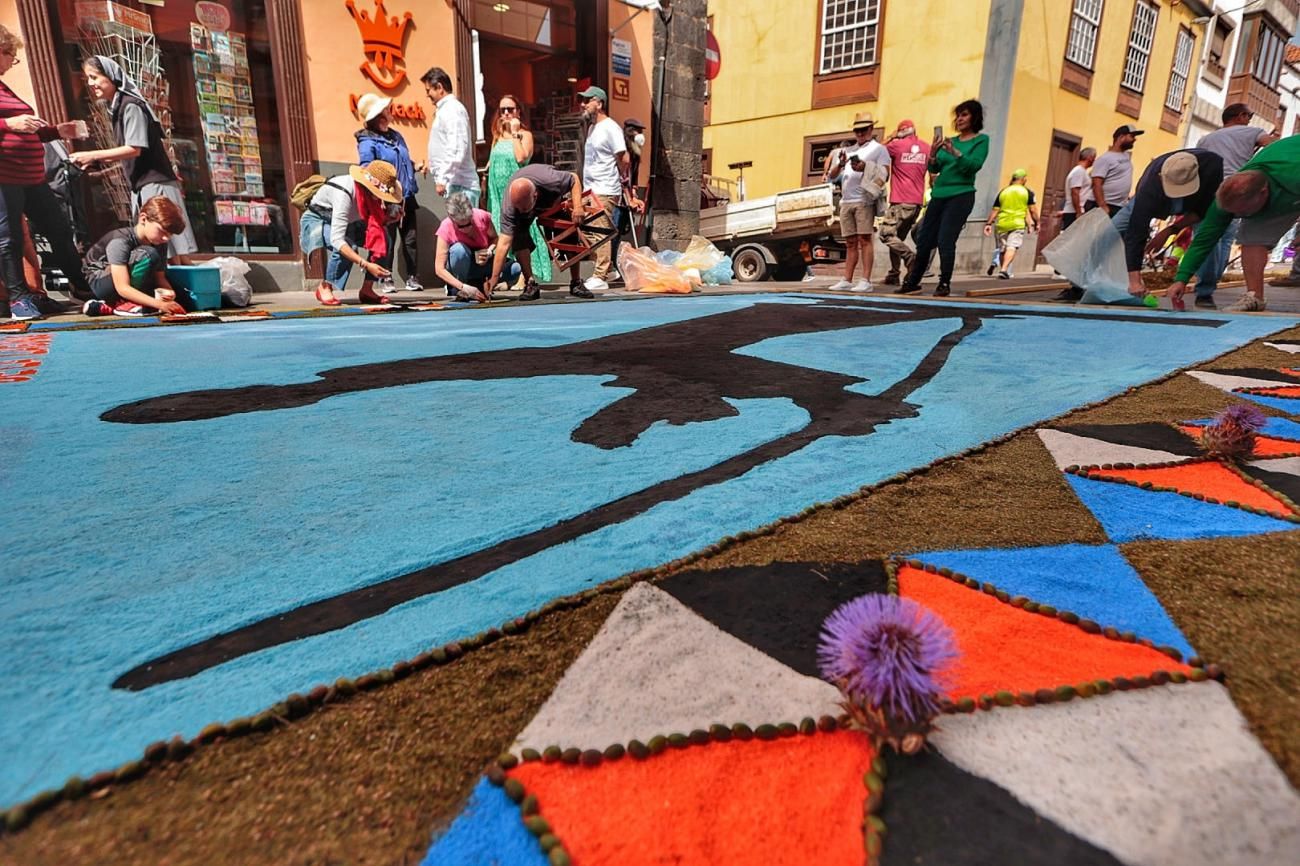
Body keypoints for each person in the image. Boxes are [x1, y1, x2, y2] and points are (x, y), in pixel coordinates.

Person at [0, 24, 94, 319]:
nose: (12, 62)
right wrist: (8, 125)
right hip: (5, 177)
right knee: (9, 237)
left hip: (32, 176)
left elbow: (27, 133)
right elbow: (12, 128)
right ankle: (18, 300)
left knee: (59, 229)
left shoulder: (4, 87)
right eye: (10, 55)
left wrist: (57, 131)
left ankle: (80, 288)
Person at [70, 55, 198, 264]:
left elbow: (134, 148)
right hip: (145, 184)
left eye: (94, 77)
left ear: (110, 76)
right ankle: (187, 290)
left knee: (169, 246)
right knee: (170, 249)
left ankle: (184, 291)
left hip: (155, 183)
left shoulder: (130, 106)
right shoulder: (119, 107)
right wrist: (104, 170)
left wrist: (92, 154)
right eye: (88, 79)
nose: (91, 84)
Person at [1169, 136, 1300, 313]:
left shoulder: (1293, 175)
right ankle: (1255, 297)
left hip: (1291, 179)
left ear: (1263, 192)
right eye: (1234, 213)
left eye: (1243, 212)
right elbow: (1204, 240)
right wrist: (1181, 279)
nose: (1239, 217)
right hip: (1280, 189)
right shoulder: (1229, 198)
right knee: (1251, 238)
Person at [896, 99, 989, 297]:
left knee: (946, 239)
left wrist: (954, 152)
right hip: (939, 195)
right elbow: (934, 168)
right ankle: (913, 281)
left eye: (964, 115)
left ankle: (944, 282)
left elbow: (973, 166)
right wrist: (933, 153)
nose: (960, 119)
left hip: (961, 195)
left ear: (975, 117)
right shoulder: (950, 141)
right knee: (924, 239)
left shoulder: (981, 141)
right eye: (958, 115)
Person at [1187, 103, 1279, 304]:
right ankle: (1209, 283)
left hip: (1210, 190)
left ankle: (1206, 287)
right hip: (1239, 191)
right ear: (1241, 115)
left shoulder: (1206, 138)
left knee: (1208, 238)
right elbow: (1272, 146)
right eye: (1249, 115)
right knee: (1226, 239)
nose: (1250, 119)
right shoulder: (1253, 132)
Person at [1106, 149, 1222, 302]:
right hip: (1152, 196)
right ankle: (1080, 285)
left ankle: (1204, 292)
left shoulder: (1212, 166)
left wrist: (1171, 230)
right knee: (1108, 233)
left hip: (1194, 202)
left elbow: (1202, 212)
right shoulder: (1149, 187)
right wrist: (1135, 282)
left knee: (1208, 238)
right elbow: (1136, 232)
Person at [298, 160, 403, 306]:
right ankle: (324, 287)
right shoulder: (344, 193)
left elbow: (374, 226)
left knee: (383, 238)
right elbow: (337, 240)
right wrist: (365, 264)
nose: (380, 199)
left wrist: (389, 219)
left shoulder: (370, 197)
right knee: (347, 247)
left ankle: (367, 289)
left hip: (348, 222)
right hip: (319, 219)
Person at [487, 163, 585, 302]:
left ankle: (576, 282)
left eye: (525, 208)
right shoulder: (510, 207)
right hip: (526, 206)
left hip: (552, 201)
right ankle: (530, 283)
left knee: (568, 232)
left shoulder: (551, 180)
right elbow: (503, 244)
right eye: (519, 208)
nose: (523, 211)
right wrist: (494, 279)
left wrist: (578, 207)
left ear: (535, 195)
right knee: (518, 238)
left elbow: (574, 179)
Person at [355, 92, 423, 292]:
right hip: (387, 197)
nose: (389, 112)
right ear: (377, 117)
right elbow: (367, 167)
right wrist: (379, 193)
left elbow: (401, 159)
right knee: (388, 240)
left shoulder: (395, 135)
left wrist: (414, 166)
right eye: (384, 110)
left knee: (410, 239)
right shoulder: (367, 141)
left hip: (406, 195)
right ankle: (385, 278)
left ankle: (413, 277)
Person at [79, 195, 187, 317]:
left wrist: (169, 293)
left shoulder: (160, 241)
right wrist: (160, 304)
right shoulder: (120, 240)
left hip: (129, 281)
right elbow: (122, 287)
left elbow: (160, 277)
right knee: (147, 254)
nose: (166, 238)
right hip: (101, 281)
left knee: (184, 297)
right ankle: (125, 302)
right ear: (143, 219)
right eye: (162, 231)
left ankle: (107, 306)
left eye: (170, 234)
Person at [485, 93, 550, 284]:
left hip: (517, 192)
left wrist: (515, 134)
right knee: (502, 233)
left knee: (522, 231)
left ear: (518, 112)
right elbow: (492, 161)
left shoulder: (525, 135)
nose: (506, 113)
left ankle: (525, 275)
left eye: (510, 109)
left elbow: (522, 158)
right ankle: (510, 274)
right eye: (502, 110)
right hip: (497, 193)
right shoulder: (496, 136)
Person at [827, 112, 889, 292]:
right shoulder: (847, 150)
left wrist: (865, 167)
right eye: (857, 130)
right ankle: (847, 278)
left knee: (865, 239)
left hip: (864, 199)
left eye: (863, 130)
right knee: (850, 242)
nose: (860, 133)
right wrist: (840, 164)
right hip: (846, 200)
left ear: (871, 129)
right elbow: (831, 176)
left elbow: (885, 173)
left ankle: (866, 280)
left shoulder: (879, 149)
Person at [577, 85, 626, 294]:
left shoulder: (611, 127)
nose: (583, 104)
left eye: (587, 100)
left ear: (599, 103)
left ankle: (600, 276)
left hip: (605, 188)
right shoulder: (592, 128)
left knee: (599, 231)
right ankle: (610, 269)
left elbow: (624, 158)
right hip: (591, 188)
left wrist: (618, 181)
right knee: (589, 229)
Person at [434, 191, 521, 303]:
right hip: (461, 268)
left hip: (482, 266)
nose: (466, 229)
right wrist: (463, 287)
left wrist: (489, 251)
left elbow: (495, 239)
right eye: (461, 226)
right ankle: (461, 288)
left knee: (515, 268)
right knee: (459, 250)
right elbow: (439, 269)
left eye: (469, 223)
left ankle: (482, 285)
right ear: (451, 218)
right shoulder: (445, 227)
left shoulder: (482, 217)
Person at [879, 119, 930, 285]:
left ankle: (910, 259)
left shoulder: (897, 145)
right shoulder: (926, 147)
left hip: (900, 201)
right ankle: (894, 274)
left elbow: (877, 151)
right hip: (916, 202)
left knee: (886, 234)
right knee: (897, 238)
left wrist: (891, 137)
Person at [421, 67, 478, 201]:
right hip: (456, 185)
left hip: (462, 187)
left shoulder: (453, 110)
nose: (427, 95)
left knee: (464, 222)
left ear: (439, 87)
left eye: (428, 90)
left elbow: (456, 147)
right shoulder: (447, 110)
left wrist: (442, 177)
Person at [1052, 146, 1096, 302]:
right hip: (1076, 211)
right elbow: (1075, 191)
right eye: (1094, 157)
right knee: (1077, 246)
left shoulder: (1079, 172)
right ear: (1090, 157)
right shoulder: (1078, 172)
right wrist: (1079, 211)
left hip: (1074, 211)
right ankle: (1061, 262)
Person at [982, 169, 1038, 279]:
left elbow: (995, 210)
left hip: (1002, 223)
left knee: (1003, 248)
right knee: (1012, 246)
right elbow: (1032, 210)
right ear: (1023, 179)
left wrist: (988, 224)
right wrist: (1036, 223)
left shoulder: (1004, 191)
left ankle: (1003, 270)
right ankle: (1004, 269)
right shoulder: (1027, 192)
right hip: (1017, 223)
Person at [610, 116, 647, 280]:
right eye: (637, 131)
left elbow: (633, 179)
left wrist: (635, 198)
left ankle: (615, 266)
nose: (640, 135)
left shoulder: (636, 154)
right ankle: (610, 266)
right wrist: (629, 198)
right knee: (614, 232)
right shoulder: (623, 152)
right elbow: (622, 178)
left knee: (620, 233)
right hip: (617, 198)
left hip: (625, 199)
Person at [1083, 125, 1142, 217]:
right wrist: (1102, 205)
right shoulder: (1105, 159)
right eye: (1132, 136)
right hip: (1102, 205)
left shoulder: (1125, 156)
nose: (1134, 140)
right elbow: (1096, 184)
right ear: (1121, 137)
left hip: (1118, 206)